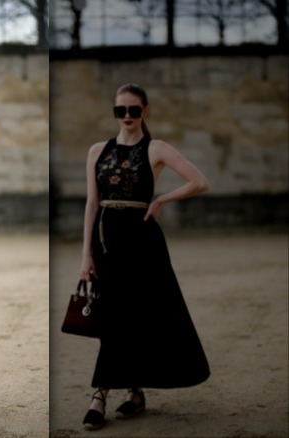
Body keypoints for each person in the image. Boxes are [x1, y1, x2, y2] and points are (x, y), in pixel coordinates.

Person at [78, 83, 211, 430]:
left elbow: (199, 181)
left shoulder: (156, 148)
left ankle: (100, 395)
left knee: (135, 314)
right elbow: (92, 204)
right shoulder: (97, 151)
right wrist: (85, 255)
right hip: (107, 239)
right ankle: (133, 392)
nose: (126, 117)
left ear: (145, 112)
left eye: (133, 111)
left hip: (143, 240)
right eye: (119, 111)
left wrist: (161, 200)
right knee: (113, 314)